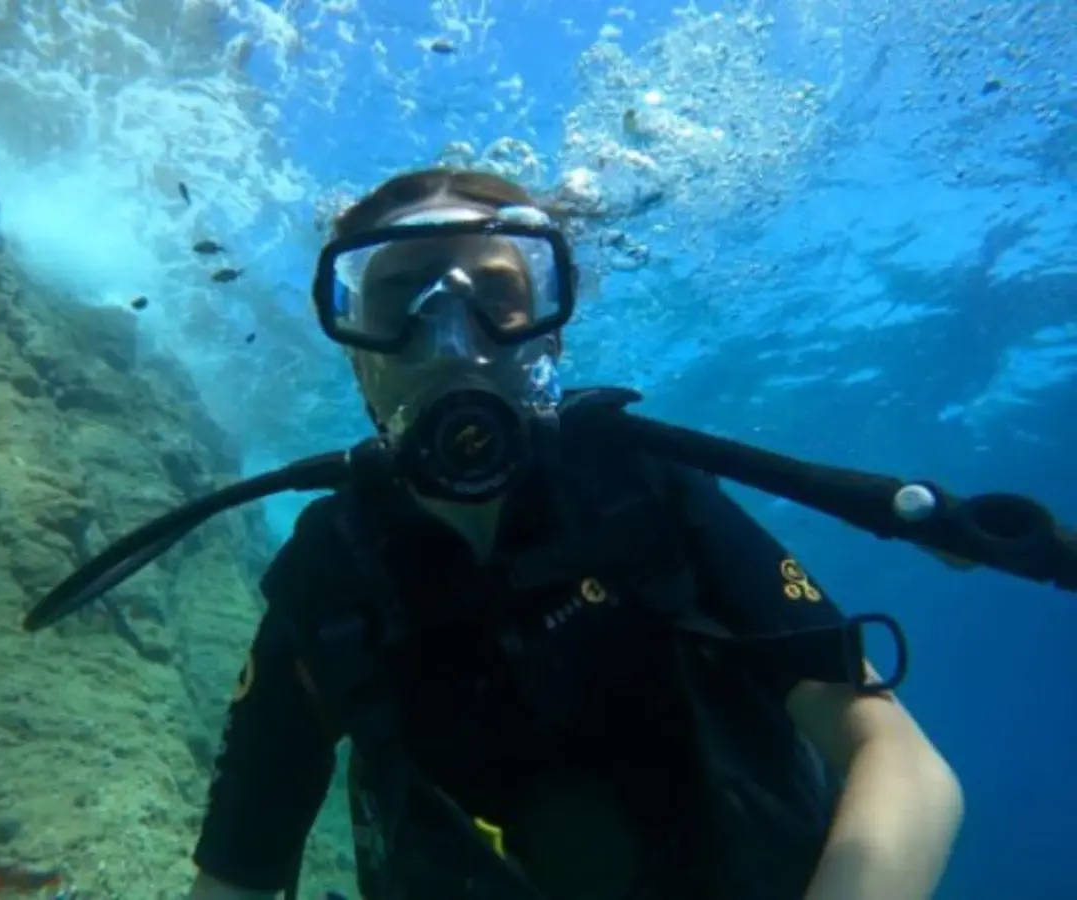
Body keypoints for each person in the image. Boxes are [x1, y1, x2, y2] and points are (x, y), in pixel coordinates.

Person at [187, 169, 963, 900]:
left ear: (548, 335)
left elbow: (900, 762)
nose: (453, 337)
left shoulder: (648, 491)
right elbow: (233, 877)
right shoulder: (329, 578)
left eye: (496, 294)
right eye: (397, 302)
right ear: (358, 355)